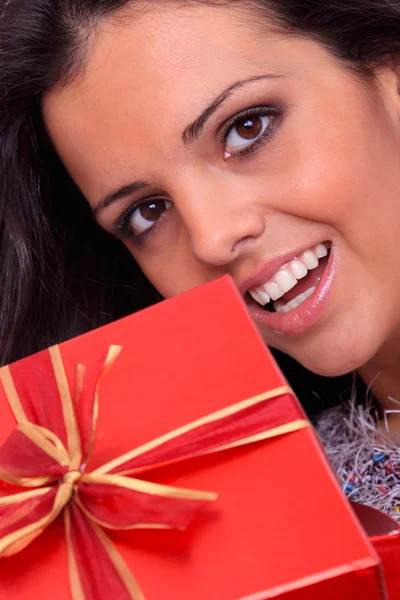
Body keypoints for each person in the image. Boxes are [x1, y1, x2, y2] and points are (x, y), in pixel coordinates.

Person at [1, 0, 400, 516]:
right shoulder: (263, 525)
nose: (210, 237)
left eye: (247, 128)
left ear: (389, 71)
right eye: (148, 212)